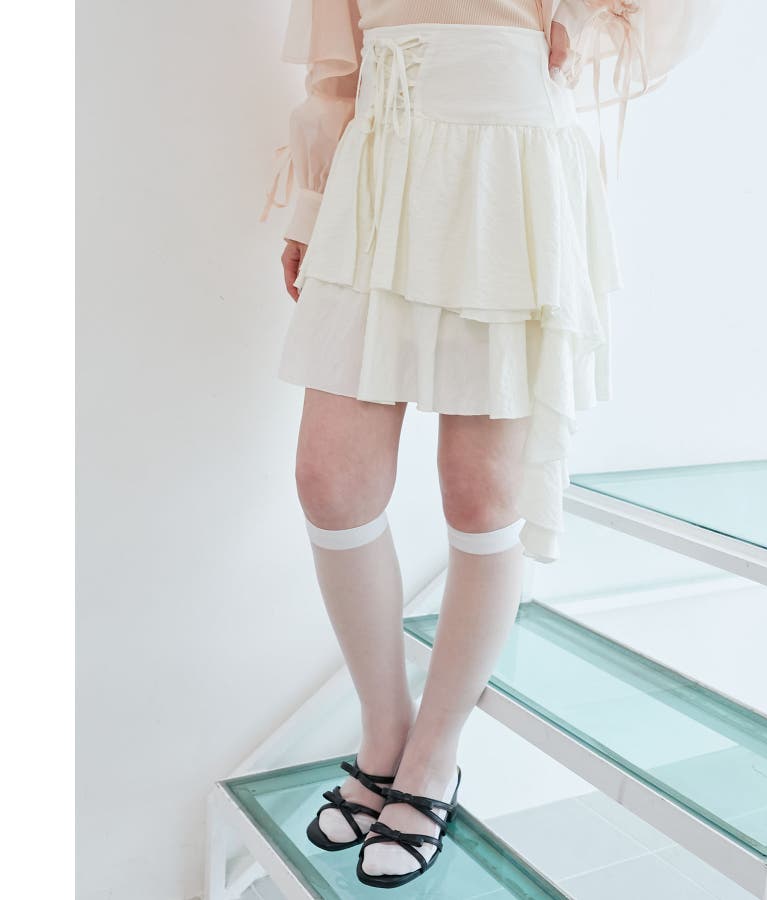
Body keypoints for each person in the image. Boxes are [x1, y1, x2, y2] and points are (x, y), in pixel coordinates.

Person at [260, 0, 720, 889]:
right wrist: (311, 205)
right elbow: (335, 65)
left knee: (480, 493)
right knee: (331, 481)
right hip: (377, 166)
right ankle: (384, 734)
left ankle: (433, 759)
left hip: (508, 164)